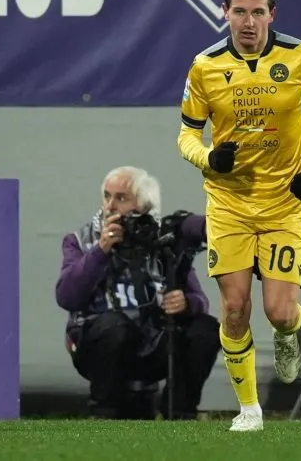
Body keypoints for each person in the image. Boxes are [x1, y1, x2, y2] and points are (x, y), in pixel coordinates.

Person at [178, 0, 301, 432]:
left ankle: (289, 334)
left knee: (279, 311)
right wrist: (209, 157)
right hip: (229, 204)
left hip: (284, 205)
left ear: (272, 13)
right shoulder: (204, 67)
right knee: (233, 309)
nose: (248, 22)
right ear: (224, 12)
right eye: (239, 11)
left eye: (257, 12)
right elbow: (187, 135)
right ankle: (249, 409)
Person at [55, 165, 221, 420]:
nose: (110, 205)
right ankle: (104, 415)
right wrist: (100, 252)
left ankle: (179, 414)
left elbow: (200, 301)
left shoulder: (161, 241)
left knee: (205, 329)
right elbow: (67, 296)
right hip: (98, 347)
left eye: (121, 198)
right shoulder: (80, 240)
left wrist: (186, 304)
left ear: (143, 206)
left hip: (151, 343)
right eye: (107, 196)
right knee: (115, 325)